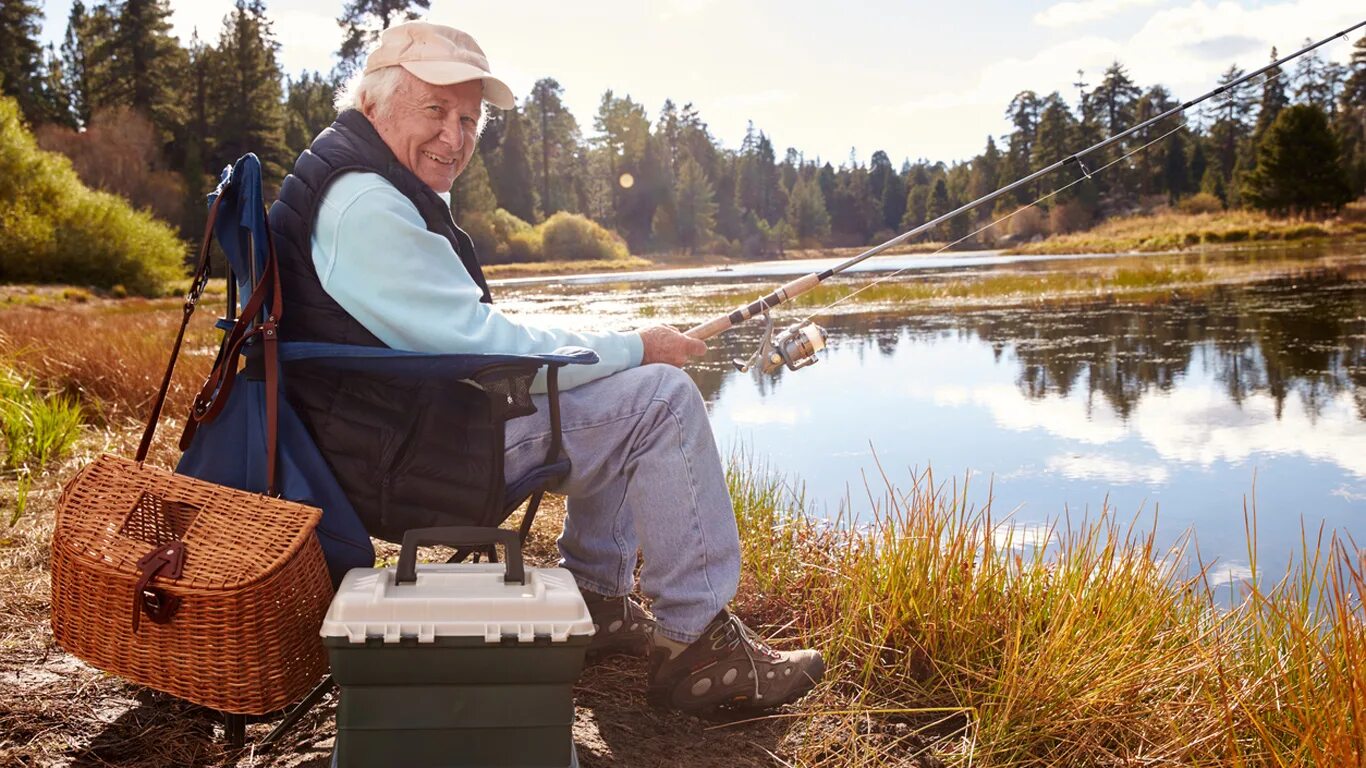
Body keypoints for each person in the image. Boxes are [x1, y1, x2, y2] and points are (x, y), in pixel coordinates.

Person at [269, 20, 823, 714]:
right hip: (407, 457)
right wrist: (637, 345)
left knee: (626, 385)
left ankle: (596, 597)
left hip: (393, 430)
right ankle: (697, 647)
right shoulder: (367, 207)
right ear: (376, 102)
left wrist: (614, 349)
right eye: (435, 111)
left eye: (469, 119)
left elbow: (462, 336)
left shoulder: (363, 178)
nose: (455, 137)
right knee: (660, 398)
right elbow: (486, 348)